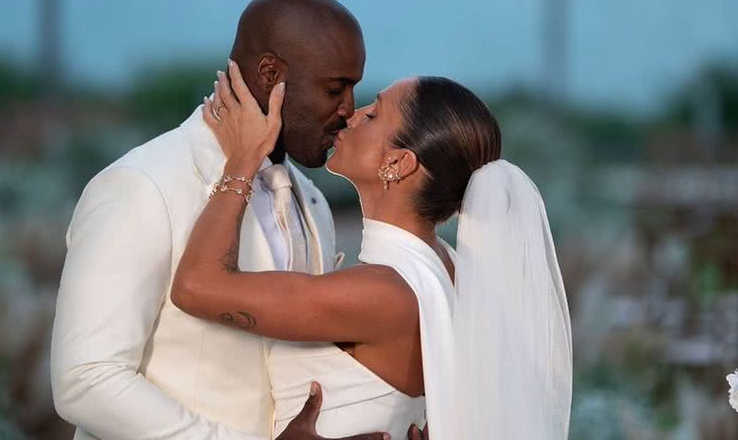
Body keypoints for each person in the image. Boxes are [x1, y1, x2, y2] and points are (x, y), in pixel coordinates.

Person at [50, 0, 391, 439]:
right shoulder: (141, 186)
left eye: (353, 88)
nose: (348, 109)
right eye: (334, 88)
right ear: (271, 75)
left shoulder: (312, 202)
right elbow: (85, 379)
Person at [170, 62, 574, 439]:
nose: (352, 114)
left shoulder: (385, 293)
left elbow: (195, 287)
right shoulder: (446, 267)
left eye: (375, 114)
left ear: (399, 163)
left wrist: (242, 160)